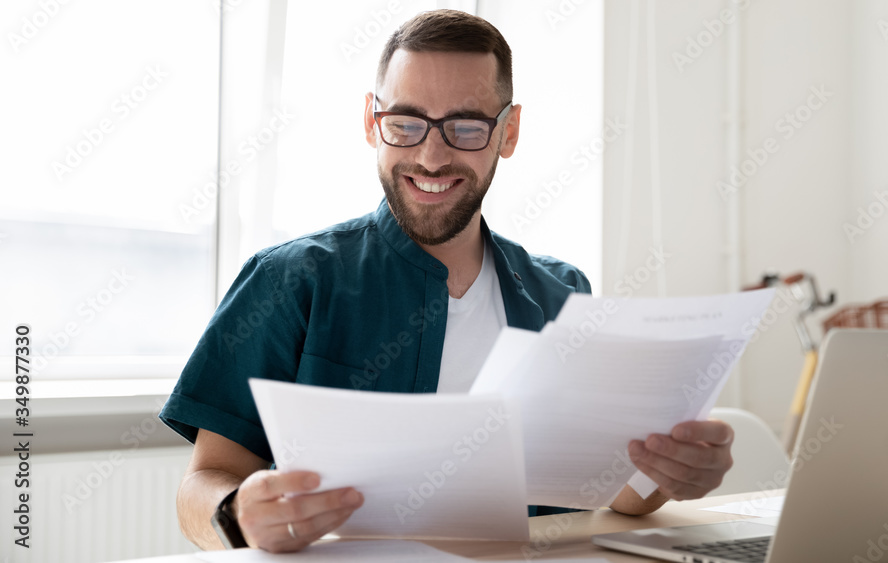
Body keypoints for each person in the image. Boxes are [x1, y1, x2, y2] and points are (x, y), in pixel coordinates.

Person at [159, 9, 734, 553]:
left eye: (465, 127)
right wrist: (238, 516)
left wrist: (669, 473)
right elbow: (204, 483)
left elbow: (615, 491)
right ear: (371, 123)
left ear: (508, 134)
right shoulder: (291, 280)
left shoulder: (562, 295)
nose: (431, 157)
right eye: (405, 123)